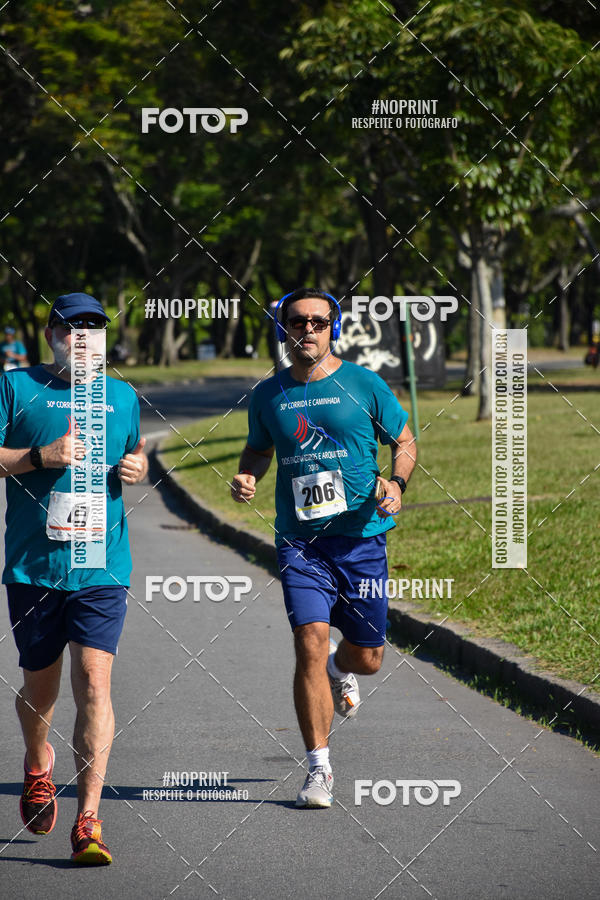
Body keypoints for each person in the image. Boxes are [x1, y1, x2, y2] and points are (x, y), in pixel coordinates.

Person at [231, 287, 416, 808]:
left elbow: (403, 440)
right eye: (296, 322)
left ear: (333, 328)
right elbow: (258, 447)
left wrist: (397, 484)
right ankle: (319, 768)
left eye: (317, 321)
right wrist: (248, 474)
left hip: (361, 542)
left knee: (370, 658)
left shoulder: (363, 384)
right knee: (309, 639)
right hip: (300, 544)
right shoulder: (268, 394)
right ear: (283, 329)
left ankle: (342, 669)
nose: (306, 330)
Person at [0, 292, 148, 864]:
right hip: (34, 567)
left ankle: (88, 820)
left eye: (94, 326)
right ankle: (38, 762)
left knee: (94, 682)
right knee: (41, 691)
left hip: (101, 565)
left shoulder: (122, 395)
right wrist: (40, 456)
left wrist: (137, 466)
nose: (82, 335)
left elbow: (133, 456)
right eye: (71, 325)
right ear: (49, 332)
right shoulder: (14, 386)